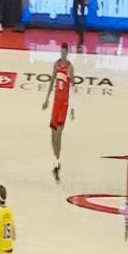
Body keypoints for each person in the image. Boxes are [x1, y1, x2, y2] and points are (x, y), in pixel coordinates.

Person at [42, 42, 75, 183]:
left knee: (59, 133)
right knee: (52, 135)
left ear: (67, 52)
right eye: (62, 52)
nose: (63, 54)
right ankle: (56, 161)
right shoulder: (56, 64)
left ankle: (57, 164)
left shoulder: (70, 67)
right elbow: (51, 82)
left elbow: (73, 87)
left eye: (65, 52)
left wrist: (73, 109)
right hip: (56, 102)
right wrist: (47, 99)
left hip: (64, 104)